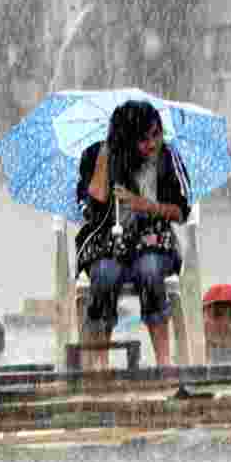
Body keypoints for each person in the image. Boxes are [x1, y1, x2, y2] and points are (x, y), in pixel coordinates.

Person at [75, 100, 192, 369]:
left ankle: (164, 361)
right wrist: (106, 155)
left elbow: (181, 211)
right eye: (143, 139)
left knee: (149, 271)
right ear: (126, 140)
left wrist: (145, 205)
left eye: (156, 134)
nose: (152, 144)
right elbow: (91, 208)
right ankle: (101, 361)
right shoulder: (98, 156)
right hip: (108, 244)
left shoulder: (168, 158)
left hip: (154, 242)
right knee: (104, 274)